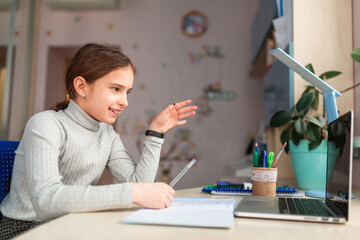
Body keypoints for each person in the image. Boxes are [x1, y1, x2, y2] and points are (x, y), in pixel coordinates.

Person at [0, 43, 197, 238]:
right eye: (115, 89)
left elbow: (140, 184)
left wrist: (156, 132)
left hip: (71, 224)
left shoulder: (107, 134)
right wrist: (131, 193)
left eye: (127, 92)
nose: (124, 102)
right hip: (25, 230)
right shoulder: (45, 124)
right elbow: (46, 200)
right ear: (81, 86)